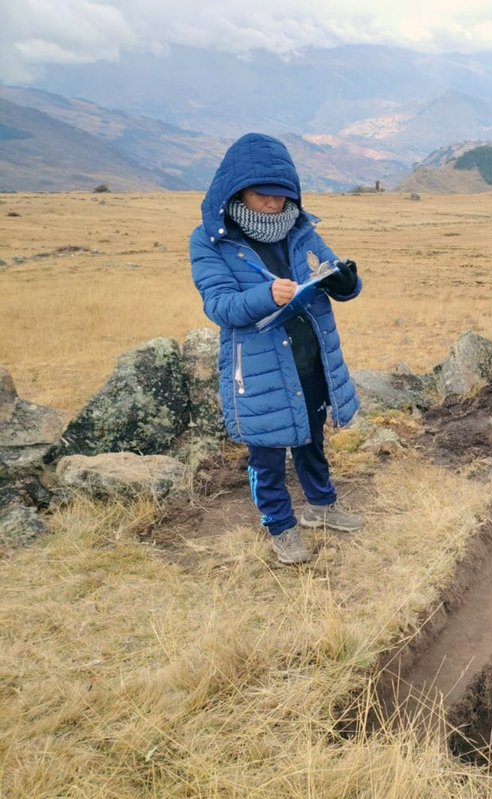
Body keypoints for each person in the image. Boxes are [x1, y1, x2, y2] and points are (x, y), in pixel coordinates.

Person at [190, 132, 364, 565]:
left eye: (281, 195)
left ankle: (321, 506)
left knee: (311, 439)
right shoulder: (211, 241)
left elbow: (330, 273)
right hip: (259, 366)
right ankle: (279, 526)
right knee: (266, 453)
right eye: (261, 195)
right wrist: (267, 296)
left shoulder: (300, 229)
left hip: (311, 358)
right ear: (236, 193)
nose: (273, 204)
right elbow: (219, 306)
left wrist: (347, 282)